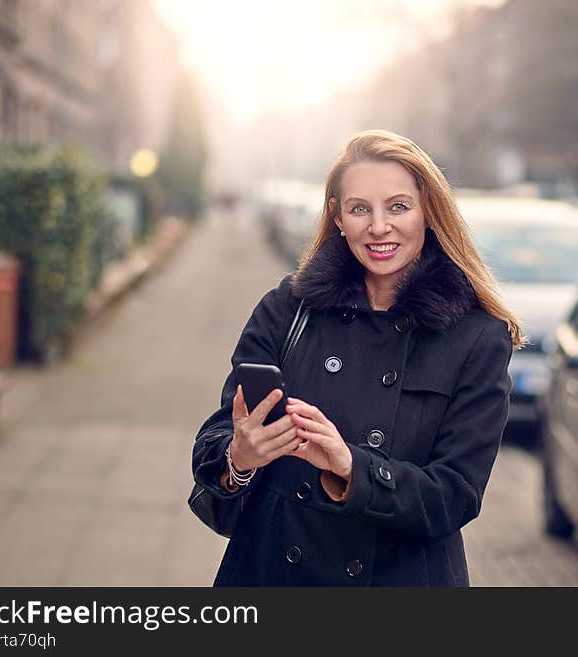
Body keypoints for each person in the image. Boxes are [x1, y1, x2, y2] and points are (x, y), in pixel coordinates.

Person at [191, 129, 523, 586]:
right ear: (338, 216)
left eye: (399, 206)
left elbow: (455, 495)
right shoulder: (288, 309)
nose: (379, 226)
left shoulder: (476, 337)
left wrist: (351, 467)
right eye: (360, 208)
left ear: (429, 212)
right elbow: (218, 434)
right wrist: (239, 457)